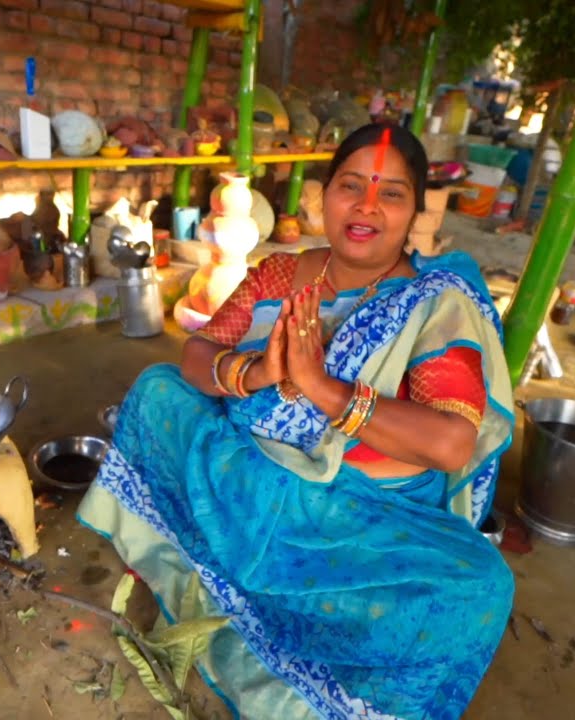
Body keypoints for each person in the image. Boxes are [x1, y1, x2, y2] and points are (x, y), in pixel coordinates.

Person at [78, 123, 515, 719]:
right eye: (351, 185)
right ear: (323, 196)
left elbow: (449, 443)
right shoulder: (279, 276)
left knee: (480, 588)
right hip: (251, 476)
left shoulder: (436, 304)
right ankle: (221, 571)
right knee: (156, 389)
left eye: (390, 193)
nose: (365, 206)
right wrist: (253, 375)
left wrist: (323, 389)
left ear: (416, 211)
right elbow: (196, 356)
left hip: (357, 515)